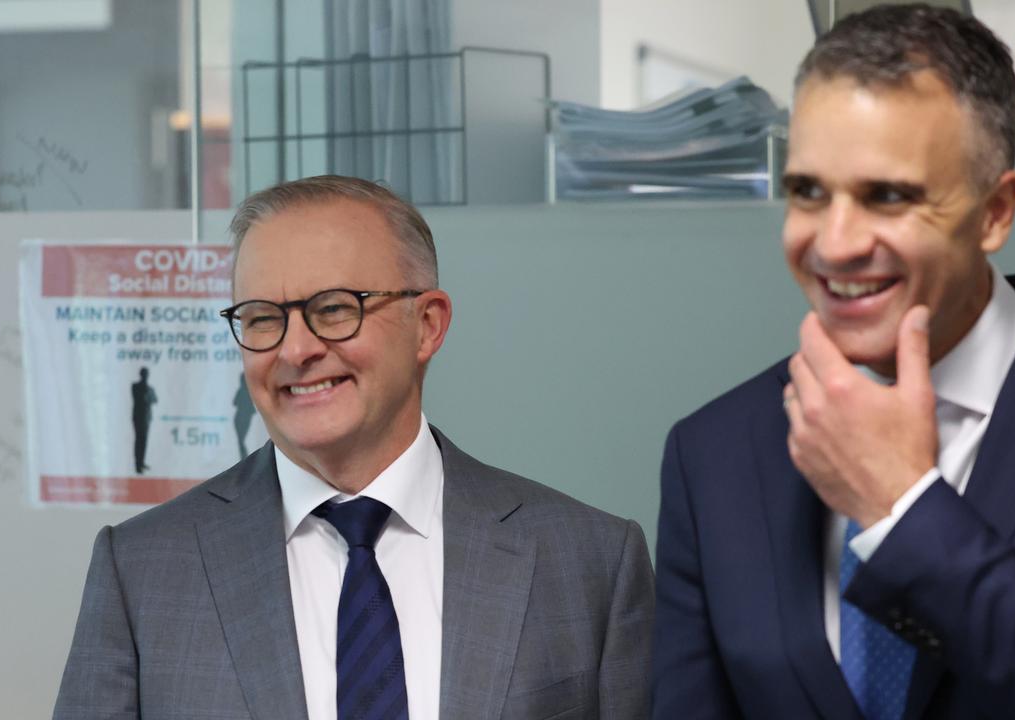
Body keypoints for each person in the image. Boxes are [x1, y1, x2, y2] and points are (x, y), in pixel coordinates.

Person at [652, 5, 1015, 719]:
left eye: (887, 196)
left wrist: (902, 509)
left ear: (995, 212)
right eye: (808, 191)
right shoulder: (714, 450)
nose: (834, 244)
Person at [55, 175, 654, 719]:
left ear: (428, 325)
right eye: (263, 318)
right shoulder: (143, 571)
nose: (295, 351)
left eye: (334, 309)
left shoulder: (589, 562)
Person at [130, 366, 157, 474]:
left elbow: (155, 399)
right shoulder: (135, 386)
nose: (146, 376)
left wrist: (148, 395)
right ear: (141, 374)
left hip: (147, 418)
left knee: (144, 441)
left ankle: (142, 463)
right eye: (144, 373)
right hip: (138, 417)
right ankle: (137, 465)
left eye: (147, 374)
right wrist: (147, 395)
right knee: (138, 441)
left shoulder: (150, 388)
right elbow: (140, 398)